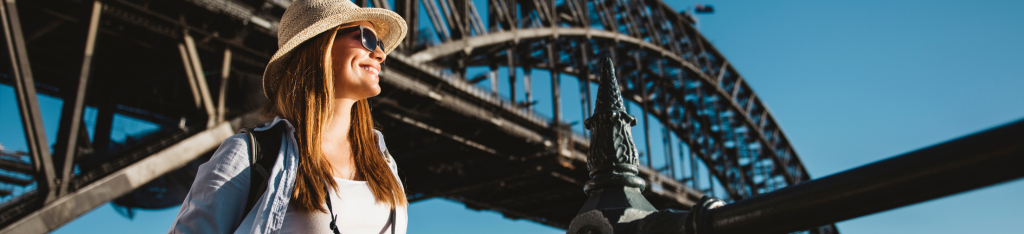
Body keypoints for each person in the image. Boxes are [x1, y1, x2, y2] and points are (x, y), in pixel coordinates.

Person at [168, 0, 408, 233]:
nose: (379, 54)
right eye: (365, 37)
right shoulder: (251, 157)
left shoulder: (384, 163)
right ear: (321, 44)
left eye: (380, 44)